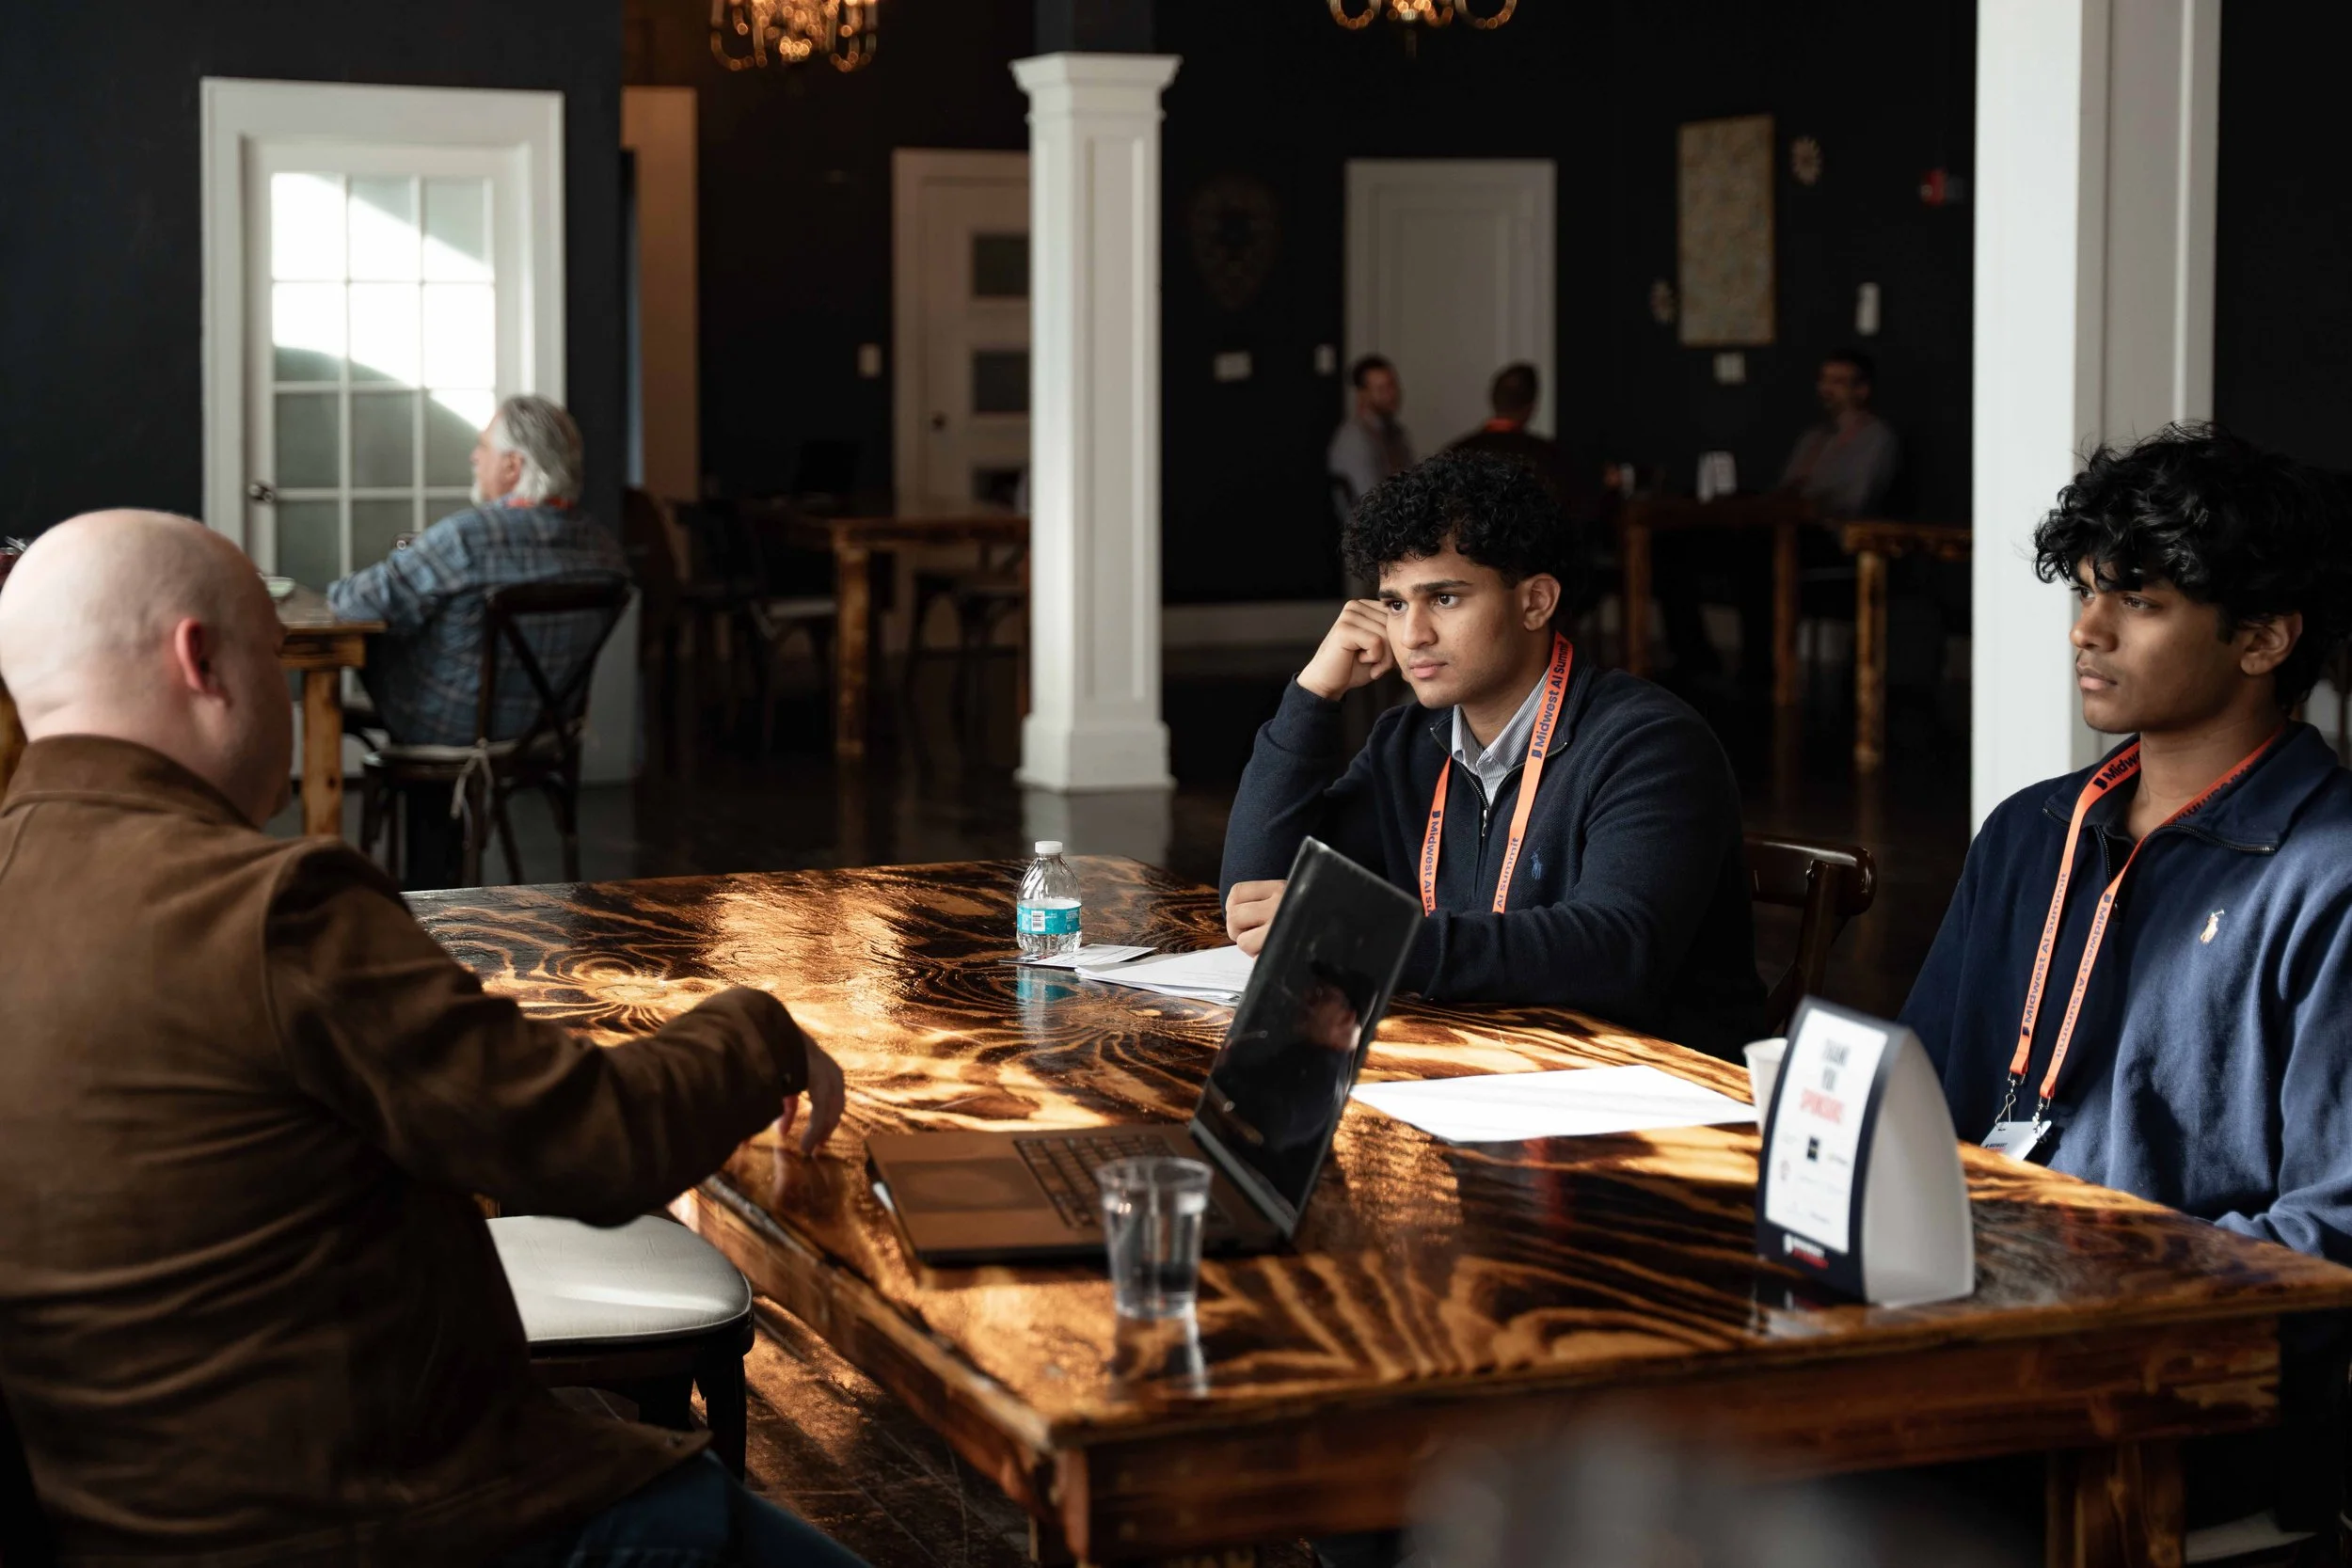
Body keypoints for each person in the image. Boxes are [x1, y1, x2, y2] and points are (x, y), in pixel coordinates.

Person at [0, 510, 865, 1564]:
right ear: (203, 659)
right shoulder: (271, 907)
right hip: (412, 1521)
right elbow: (590, 1142)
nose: (285, 689)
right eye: (277, 659)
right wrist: (757, 1027)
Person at [1903, 425, 2352, 1259]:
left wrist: (2105, 1279)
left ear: (2263, 639)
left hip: (2168, 1346)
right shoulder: (2028, 831)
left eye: (2139, 602)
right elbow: (1919, 1097)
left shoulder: (2330, 879)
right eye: (2085, 592)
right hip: (1971, 1282)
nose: (2087, 630)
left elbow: (2332, 1227)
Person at [1219, 451, 1763, 1060]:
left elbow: (1618, 951)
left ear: (1535, 602)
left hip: (1655, 1095)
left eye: (1445, 599)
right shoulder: (1407, 741)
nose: (1413, 634)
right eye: (1395, 603)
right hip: (1478, 1070)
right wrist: (1312, 696)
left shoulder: (1651, 742)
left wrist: (1381, 940)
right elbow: (1254, 894)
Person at [328, 393, 627, 885]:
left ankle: (421, 884)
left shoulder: (467, 538)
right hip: (544, 731)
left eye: (483, 446)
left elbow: (352, 603)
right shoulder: (602, 546)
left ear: (513, 465)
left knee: (390, 639)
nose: (474, 456)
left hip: (453, 728)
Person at [1778, 348, 1899, 521]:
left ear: (1862, 390)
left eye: (1838, 382)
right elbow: (1786, 489)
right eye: (1824, 380)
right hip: (1795, 529)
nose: (1826, 389)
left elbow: (1857, 500)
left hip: (1840, 535)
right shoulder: (1813, 438)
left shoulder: (1877, 438)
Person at [1328, 355, 1415, 523]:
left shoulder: (1396, 433)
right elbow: (1370, 502)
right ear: (1363, 394)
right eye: (1382, 389)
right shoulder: (1354, 439)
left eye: (1393, 386)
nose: (1392, 394)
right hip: (1372, 533)